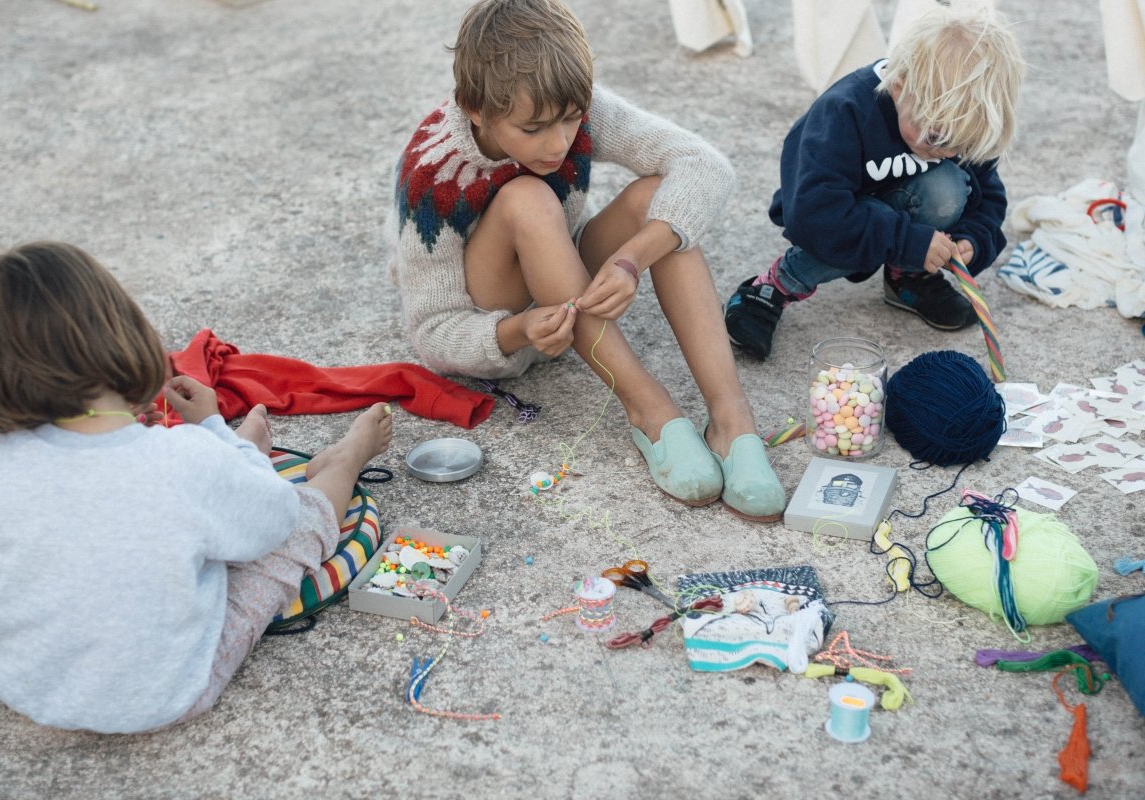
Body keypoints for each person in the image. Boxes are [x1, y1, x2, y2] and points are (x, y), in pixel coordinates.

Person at [0, 242, 394, 734]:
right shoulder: (178, 459)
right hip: (157, 693)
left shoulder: (0, 457)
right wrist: (211, 428)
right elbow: (274, 521)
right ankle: (345, 457)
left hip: (16, 673)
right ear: (121, 333)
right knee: (298, 525)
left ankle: (240, 451)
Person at [389, 0, 784, 519]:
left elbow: (704, 165)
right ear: (474, 107)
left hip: (570, 278)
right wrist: (518, 330)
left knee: (658, 201)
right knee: (527, 198)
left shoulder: (567, 103)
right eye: (533, 130)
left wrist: (630, 260)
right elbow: (433, 331)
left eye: (572, 120)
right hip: (507, 316)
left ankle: (731, 418)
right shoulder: (432, 170)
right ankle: (649, 409)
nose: (558, 144)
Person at [724, 7, 1025, 361]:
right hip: (835, 211)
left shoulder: (957, 122)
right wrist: (907, 241)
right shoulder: (844, 112)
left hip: (897, 210)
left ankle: (907, 278)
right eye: (937, 136)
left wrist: (974, 239)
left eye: (963, 143)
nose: (948, 151)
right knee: (863, 221)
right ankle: (773, 286)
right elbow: (815, 215)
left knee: (949, 190)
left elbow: (988, 194)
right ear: (900, 87)